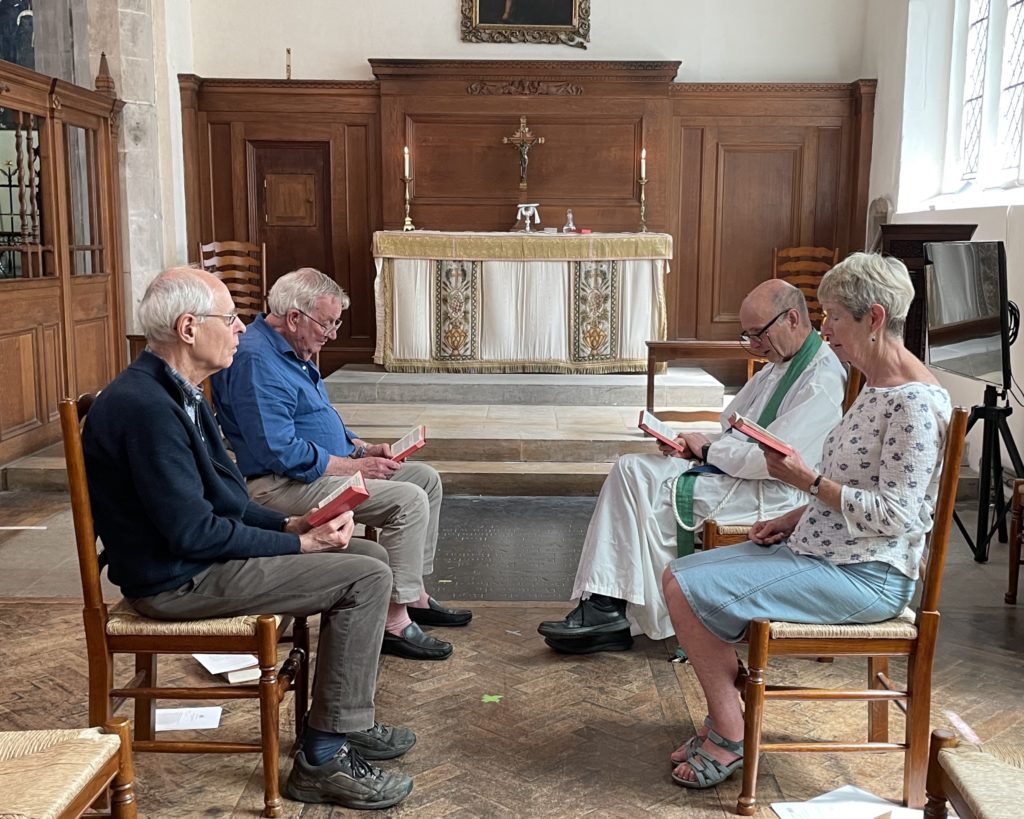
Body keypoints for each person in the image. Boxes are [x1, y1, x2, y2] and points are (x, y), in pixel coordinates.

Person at [82, 267, 414, 810]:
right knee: (368, 574)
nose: (242, 329)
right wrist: (300, 548)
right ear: (189, 328)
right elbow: (193, 532)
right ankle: (324, 754)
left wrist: (295, 524)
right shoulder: (145, 408)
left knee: (369, 552)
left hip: (194, 560)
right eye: (231, 318)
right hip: (176, 581)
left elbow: (232, 502)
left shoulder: (178, 391)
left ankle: (345, 719)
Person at [661, 253, 952, 790]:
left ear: (875, 317)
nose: (824, 327)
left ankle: (729, 733)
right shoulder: (875, 383)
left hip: (868, 576)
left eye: (834, 315)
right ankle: (728, 719)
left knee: (683, 584)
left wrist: (807, 484)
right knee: (681, 577)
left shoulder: (912, 404)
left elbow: (899, 516)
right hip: (824, 549)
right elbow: (860, 484)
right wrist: (796, 516)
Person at [538, 279, 847, 652]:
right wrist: (695, 447)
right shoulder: (779, 364)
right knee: (631, 468)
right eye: (746, 336)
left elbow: (771, 460)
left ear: (792, 319)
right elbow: (737, 430)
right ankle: (606, 606)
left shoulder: (821, 378)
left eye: (758, 334)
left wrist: (707, 452)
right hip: (738, 475)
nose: (754, 345)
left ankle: (610, 608)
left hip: (769, 495)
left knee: (636, 477)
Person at [213, 267, 471, 663]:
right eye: (328, 323)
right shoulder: (255, 361)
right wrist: (354, 469)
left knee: (426, 480)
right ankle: (393, 621)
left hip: (314, 470)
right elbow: (277, 452)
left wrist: (361, 448)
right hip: (278, 485)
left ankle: (412, 593)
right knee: (408, 501)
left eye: (336, 323)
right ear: (294, 317)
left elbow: (319, 417)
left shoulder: (295, 347)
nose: (332, 334)